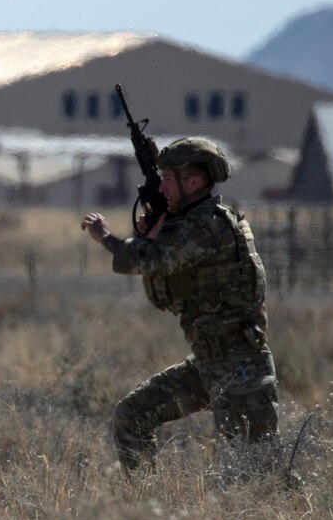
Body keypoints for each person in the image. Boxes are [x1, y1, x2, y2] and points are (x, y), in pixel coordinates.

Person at [81, 137, 277, 470]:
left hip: (240, 370)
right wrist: (153, 234)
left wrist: (107, 238)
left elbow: (149, 262)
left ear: (195, 182)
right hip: (208, 364)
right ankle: (144, 508)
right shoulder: (188, 224)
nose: (161, 189)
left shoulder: (207, 225)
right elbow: (162, 296)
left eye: (169, 180)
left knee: (253, 478)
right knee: (132, 415)